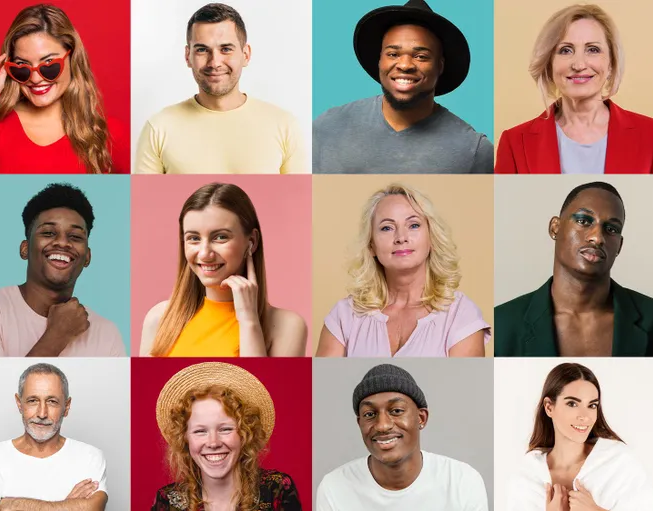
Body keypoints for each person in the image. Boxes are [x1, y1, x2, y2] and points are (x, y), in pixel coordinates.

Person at [495, 181, 653, 356]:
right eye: (583, 220)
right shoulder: (502, 323)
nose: (597, 238)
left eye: (611, 229)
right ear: (555, 228)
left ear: (619, 246)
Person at [312, 0, 493, 174]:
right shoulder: (328, 127)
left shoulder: (473, 150)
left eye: (421, 56)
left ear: (440, 66)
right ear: (380, 60)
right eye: (393, 54)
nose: (405, 65)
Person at [496, 4, 653, 174]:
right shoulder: (514, 143)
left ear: (611, 63)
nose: (579, 64)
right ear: (549, 63)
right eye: (565, 50)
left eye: (593, 49)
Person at [316, 183, 489, 357]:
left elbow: (464, 384)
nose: (401, 238)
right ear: (371, 245)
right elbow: (326, 383)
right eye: (387, 228)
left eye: (413, 225)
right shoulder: (344, 315)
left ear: (432, 238)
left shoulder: (461, 314)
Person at [0, 183, 125, 357]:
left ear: (87, 257)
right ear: (25, 249)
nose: (63, 243)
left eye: (75, 236)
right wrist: (57, 335)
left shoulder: (107, 334)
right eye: (49, 233)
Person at [0, 4, 128, 174]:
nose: (35, 79)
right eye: (22, 66)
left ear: (72, 58)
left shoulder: (108, 134)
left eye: (49, 65)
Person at [134, 3, 305, 175]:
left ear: (245, 55)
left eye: (226, 49)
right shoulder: (158, 128)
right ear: (188, 56)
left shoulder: (284, 126)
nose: (214, 62)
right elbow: (143, 199)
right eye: (202, 50)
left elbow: (299, 198)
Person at [140, 183, 307, 357]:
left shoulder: (287, 326)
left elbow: (259, 384)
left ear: (252, 242)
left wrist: (249, 321)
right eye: (194, 238)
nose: (204, 254)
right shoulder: (159, 318)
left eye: (220, 237)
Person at [317, 363, 488, 510]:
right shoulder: (334, 487)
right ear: (359, 423)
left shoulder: (462, 482)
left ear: (421, 418)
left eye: (396, 411)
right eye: (369, 414)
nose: (383, 425)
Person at [506, 363, 653, 511]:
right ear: (549, 407)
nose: (585, 417)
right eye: (572, 404)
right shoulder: (528, 477)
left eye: (592, 405)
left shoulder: (618, 463)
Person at [153, 362, 301, 510]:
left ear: (244, 433)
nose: (213, 443)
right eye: (200, 431)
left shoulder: (277, 490)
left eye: (225, 429)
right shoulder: (167, 501)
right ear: (185, 439)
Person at [0, 363, 108, 510]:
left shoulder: (90, 457)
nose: (42, 413)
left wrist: (11, 505)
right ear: (19, 403)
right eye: (33, 401)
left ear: (66, 407)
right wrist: (67, 506)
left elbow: (92, 508)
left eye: (52, 401)